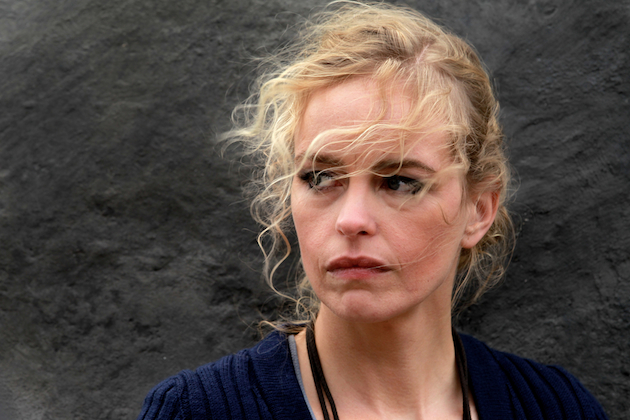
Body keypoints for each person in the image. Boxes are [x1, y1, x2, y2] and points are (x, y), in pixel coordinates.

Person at [137, 2, 608, 419]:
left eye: (399, 181)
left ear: (478, 209)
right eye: (320, 178)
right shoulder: (196, 410)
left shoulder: (556, 407)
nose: (351, 220)